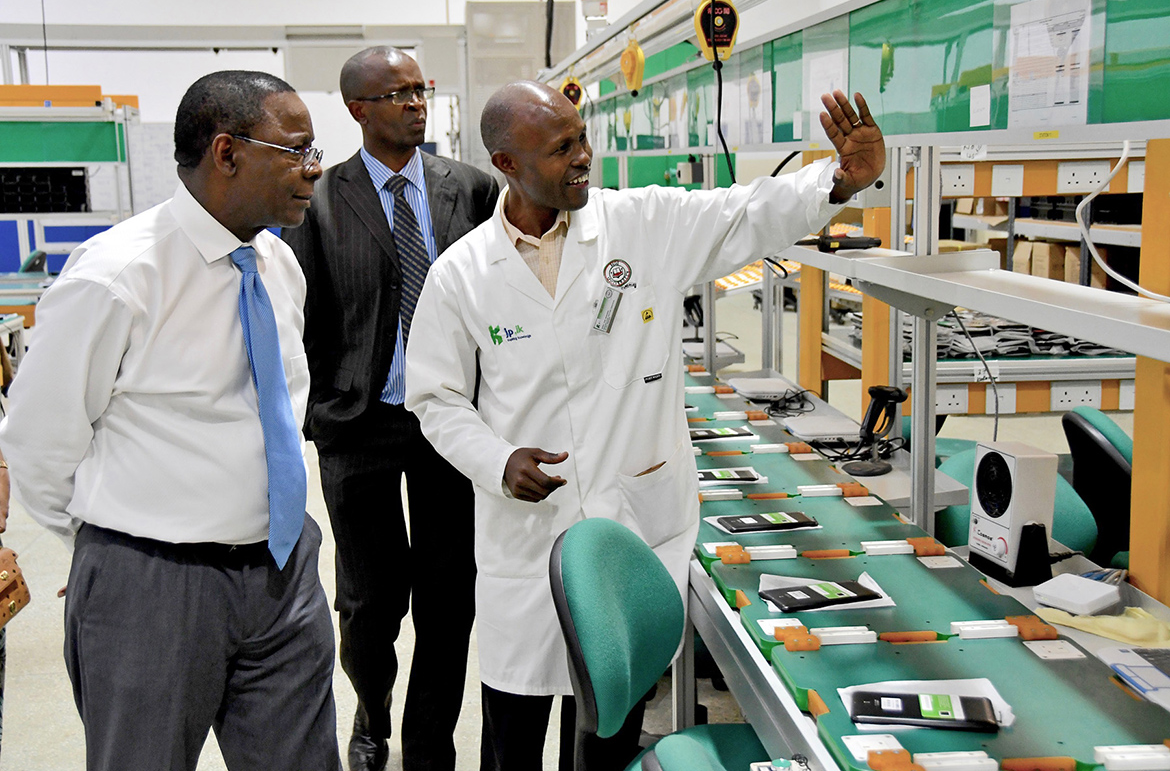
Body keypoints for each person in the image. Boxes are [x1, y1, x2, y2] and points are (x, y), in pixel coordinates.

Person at [404, 80, 885, 770]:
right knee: (512, 737)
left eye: (582, 138)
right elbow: (435, 397)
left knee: (611, 734)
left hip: (635, 522)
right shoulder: (463, 274)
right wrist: (495, 459)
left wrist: (836, 182)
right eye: (561, 147)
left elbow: (742, 212)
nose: (583, 157)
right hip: (527, 537)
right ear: (506, 164)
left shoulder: (640, 225)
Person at [0, 71, 340, 771]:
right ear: (227, 153)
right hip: (154, 586)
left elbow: (282, 404)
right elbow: (38, 439)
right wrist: (107, 547)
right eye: (298, 150)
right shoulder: (118, 277)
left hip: (281, 573)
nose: (315, 168)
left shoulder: (277, 263)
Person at [282, 47, 498, 771]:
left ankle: (428, 742)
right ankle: (371, 714)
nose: (414, 103)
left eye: (420, 89)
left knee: (449, 597)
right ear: (357, 110)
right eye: (396, 93)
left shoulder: (470, 189)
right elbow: (298, 318)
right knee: (371, 604)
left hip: (450, 422)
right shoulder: (315, 199)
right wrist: (318, 411)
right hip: (359, 424)